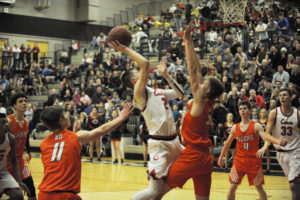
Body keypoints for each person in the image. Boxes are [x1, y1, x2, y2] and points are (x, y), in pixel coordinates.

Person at [157, 22, 225, 200]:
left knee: (157, 192)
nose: (199, 83)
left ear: (207, 91)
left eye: (203, 84)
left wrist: (187, 41)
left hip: (193, 155)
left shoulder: (201, 101)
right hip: (204, 158)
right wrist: (191, 44)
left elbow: (193, 70)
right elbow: (198, 72)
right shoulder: (205, 102)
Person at [110, 39, 184, 200]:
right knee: (153, 191)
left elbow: (180, 94)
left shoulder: (155, 91)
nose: (141, 72)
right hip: (159, 145)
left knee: (192, 167)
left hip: (175, 142)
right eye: (137, 73)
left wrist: (166, 75)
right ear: (134, 81)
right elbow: (144, 63)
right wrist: (124, 49)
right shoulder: (139, 95)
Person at [38, 103, 132, 200]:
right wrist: (121, 118)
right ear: (62, 121)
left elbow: (61, 152)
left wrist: (71, 132)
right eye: (66, 114)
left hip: (43, 194)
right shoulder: (76, 137)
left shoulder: (43, 143)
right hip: (65, 195)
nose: (68, 116)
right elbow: (101, 130)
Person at [218, 101, 287, 200]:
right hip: (239, 161)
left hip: (253, 162)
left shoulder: (256, 126)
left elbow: (267, 139)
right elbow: (227, 144)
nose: (242, 111)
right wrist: (221, 157)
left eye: (245, 108)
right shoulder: (235, 128)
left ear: (249, 111)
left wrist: (264, 147)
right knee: (232, 187)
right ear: (238, 111)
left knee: (259, 188)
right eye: (241, 109)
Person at [264, 88, 300, 200]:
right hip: (281, 154)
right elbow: (266, 135)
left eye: (284, 95)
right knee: (295, 183)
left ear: (291, 97)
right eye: (280, 96)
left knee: (293, 185)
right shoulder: (274, 113)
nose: (282, 97)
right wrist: (277, 142)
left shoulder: (298, 114)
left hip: (296, 151)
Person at [6, 93, 37, 200]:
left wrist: (28, 152)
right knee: (17, 196)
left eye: (25, 101)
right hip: (6, 162)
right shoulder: (8, 121)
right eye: (20, 101)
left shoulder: (25, 122)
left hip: (19, 161)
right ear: (14, 106)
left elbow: (26, 137)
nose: (24, 103)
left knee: (31, 191)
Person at [0, 107, 30, 200]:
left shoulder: (11, 138)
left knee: (18, 196)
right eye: (3, 122)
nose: (7, 124)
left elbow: (13, 160)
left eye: (6, 122)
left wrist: (20, 182)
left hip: (2, 173)